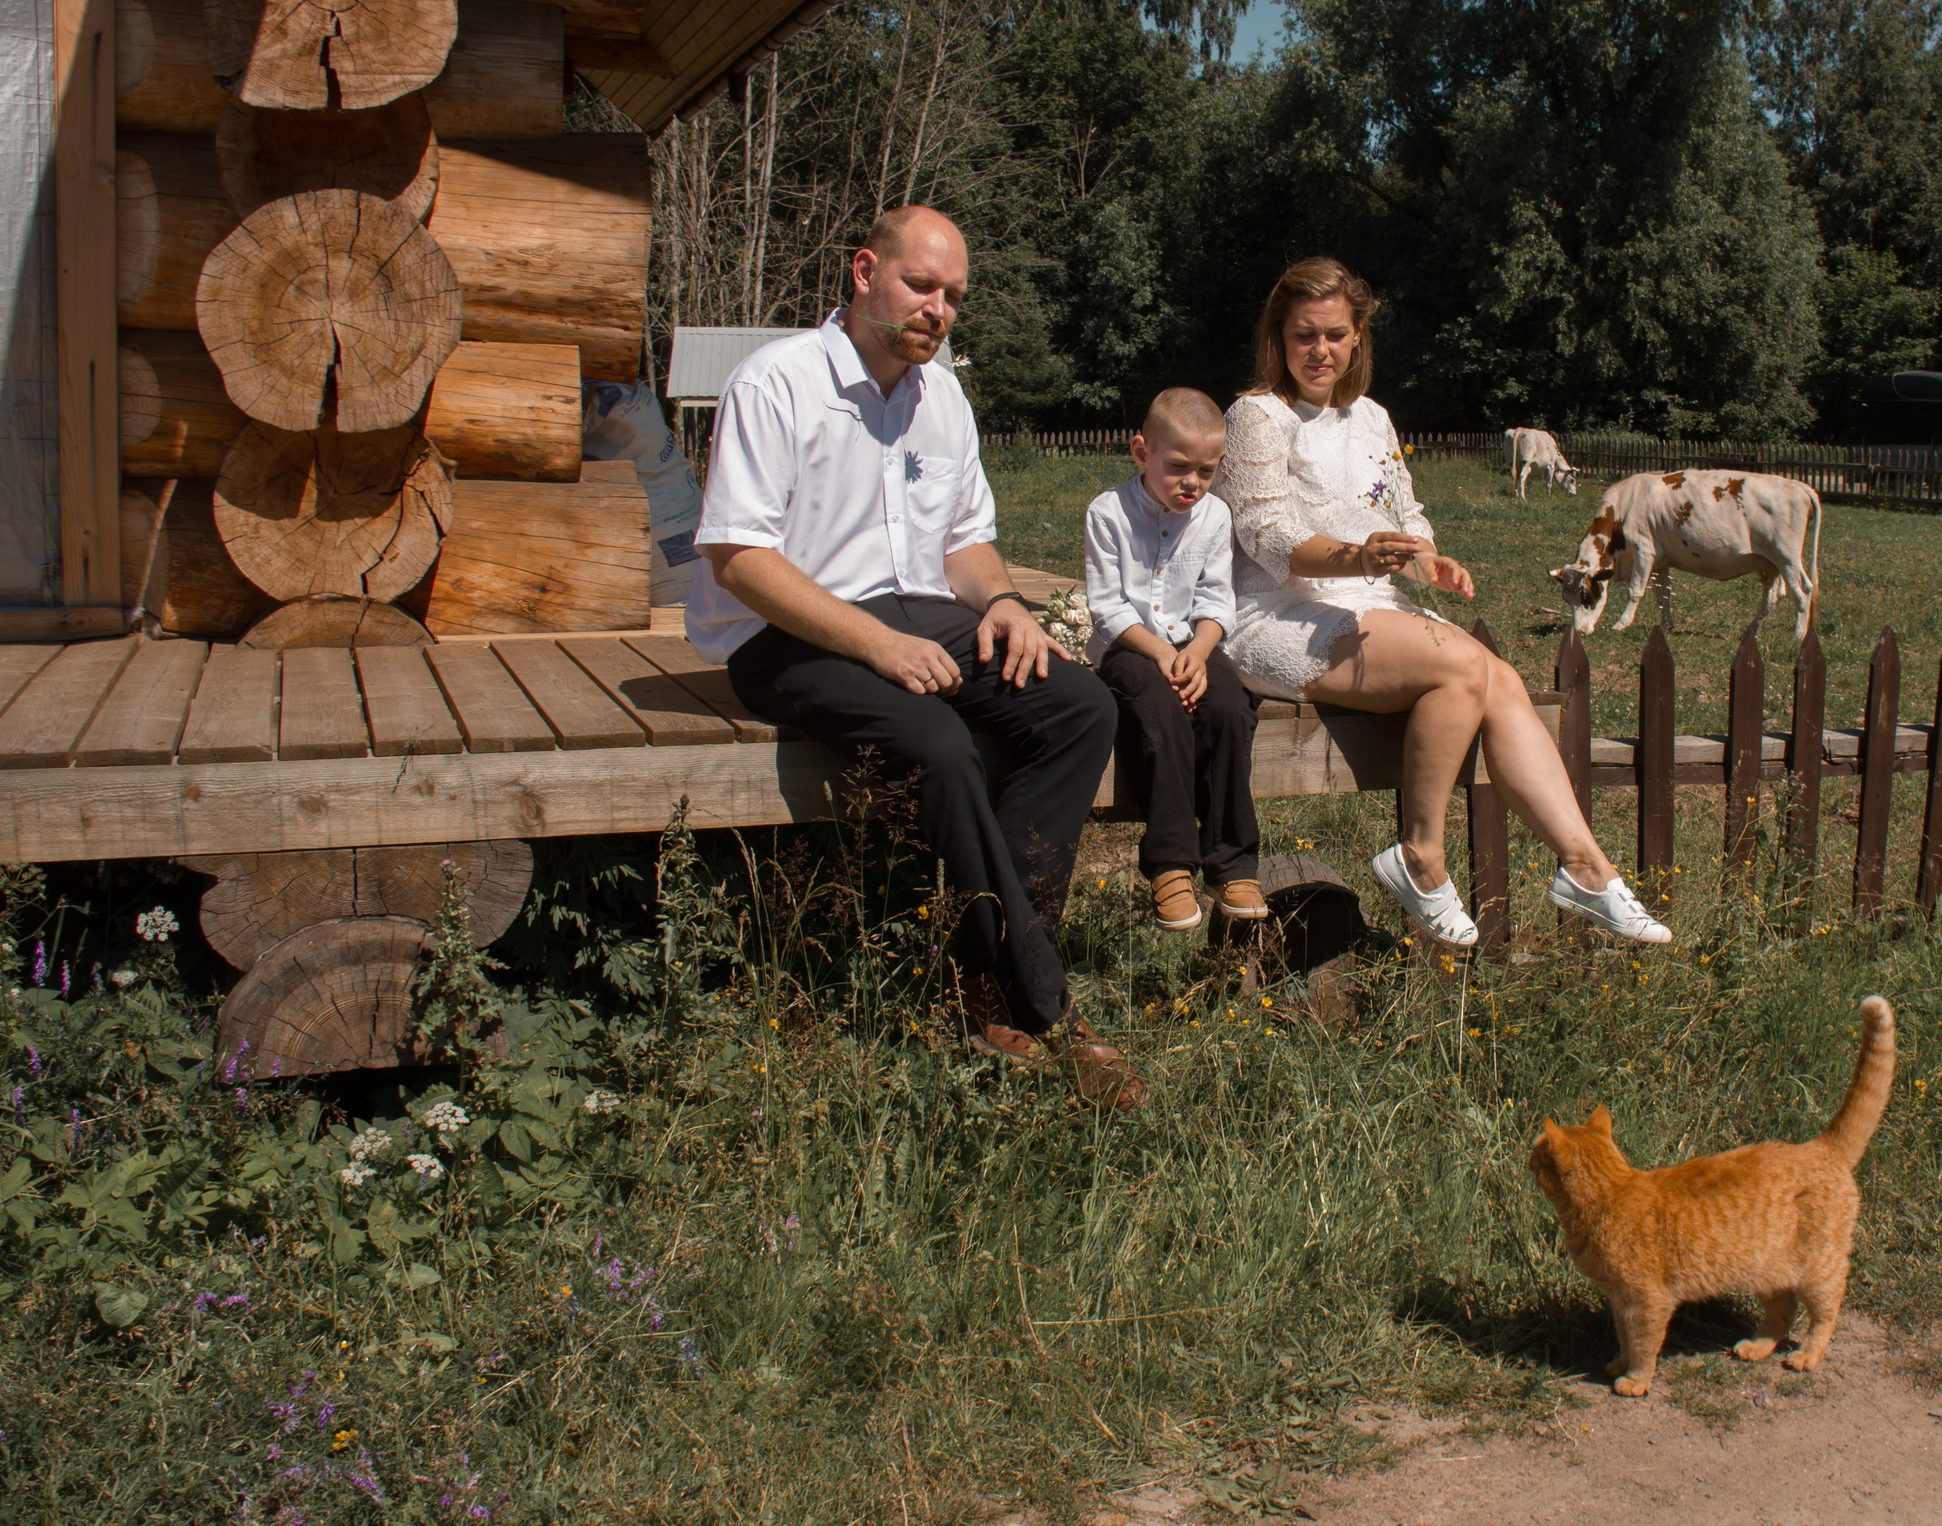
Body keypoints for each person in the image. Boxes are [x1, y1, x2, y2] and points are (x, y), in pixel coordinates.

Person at [687, 205, 1142, 1108]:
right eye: (922, 285)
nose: (938, 308)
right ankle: (1032, 999)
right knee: (940, 743)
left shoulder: (944, 397)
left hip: (913, 611)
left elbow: (964, 545)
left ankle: (1000, 963)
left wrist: (1006, 603)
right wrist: (879, 645)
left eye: (954, 297)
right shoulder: (776, 382)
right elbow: (737, 557)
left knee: (1082, 706)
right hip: (781, 632)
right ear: (865, 273)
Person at [1210, 258, 1671, 948]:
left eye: (1336, 334)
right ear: (1278, 337)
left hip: (1372, 605)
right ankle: (1421, 856)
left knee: (1501, 678)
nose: (1320, 351)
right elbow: (1269, 536)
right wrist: (1359, 556)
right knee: (1462, 666)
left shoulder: (1372, 418)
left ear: (1359, 335)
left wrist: (1429, 560)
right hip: (1277, 612)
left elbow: (1406, 512)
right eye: (1304, 335)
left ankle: (1585, 866)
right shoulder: (1257, 416)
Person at [1082, 389, 1268, 932]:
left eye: (1206, 472)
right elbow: (1108, 607)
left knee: (1231, 708)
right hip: (1129, 649)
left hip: (1192, 645)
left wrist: (1201, 650)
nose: (1192, 483)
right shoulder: (1107, 513)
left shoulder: (1214, 517)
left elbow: (1216, 598)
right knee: (1160, 711)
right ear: (1142, 452)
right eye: (1178, 467)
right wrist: (1162, 651)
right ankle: (1170, 861)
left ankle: (1231, 860)